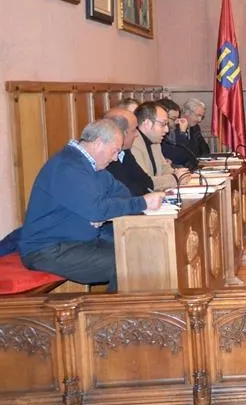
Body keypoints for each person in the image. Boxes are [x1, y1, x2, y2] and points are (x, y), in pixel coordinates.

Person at [16, 119, 164, 291]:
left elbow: (122, 194)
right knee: (127, 262)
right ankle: (115, 317)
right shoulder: (67, 166)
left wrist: (103, 212)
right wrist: (140, 203)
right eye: (115, 151)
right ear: (98, 143)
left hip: (78, 241)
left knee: (139, 249)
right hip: (48, 249)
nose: (116, 158)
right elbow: (97, 210)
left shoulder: (95, 168)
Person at [131, 101, 190, 190]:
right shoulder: (132, 144)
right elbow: (145, 183)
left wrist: (179, 173)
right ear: (147, 124)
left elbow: (164, 168)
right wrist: (175, 178)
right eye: (163, 124)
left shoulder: (155, 141)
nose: (167, 129)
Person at [104, 107, 154, 196]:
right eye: (134, 130)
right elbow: (127, 192)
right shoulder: (106, 157)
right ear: (121, 133)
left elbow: (147, 183)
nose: (136, 135)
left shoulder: (125, 152)